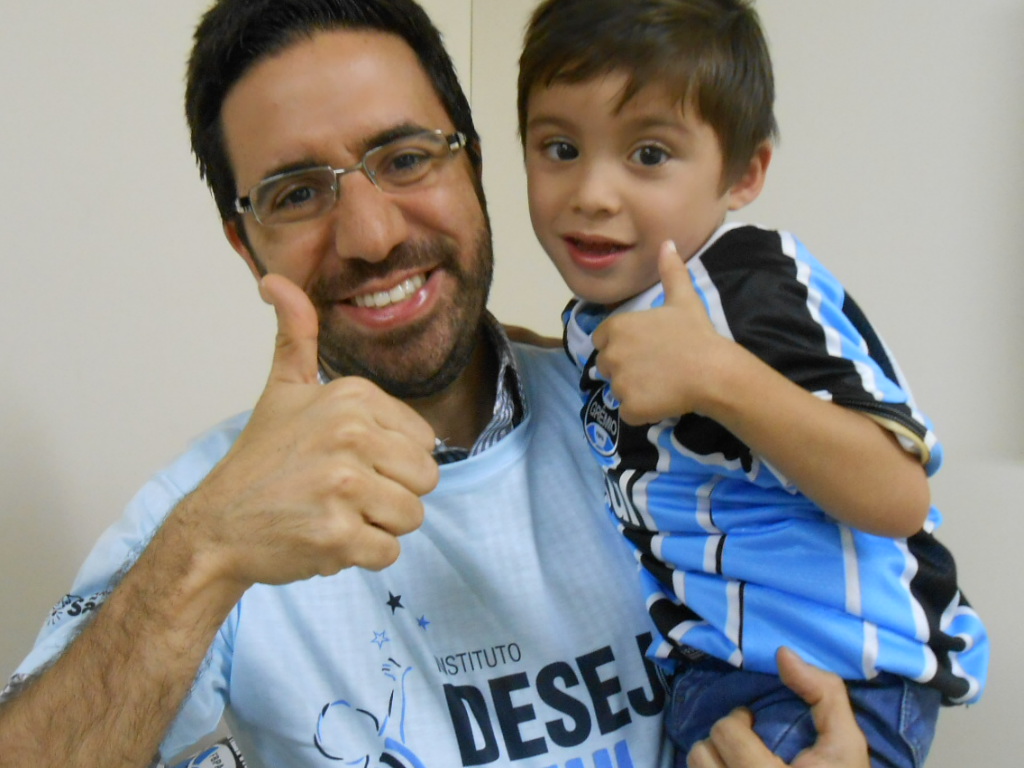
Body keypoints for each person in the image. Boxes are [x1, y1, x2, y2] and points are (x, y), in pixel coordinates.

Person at [0, 1, 872, 766]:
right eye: (298, 193)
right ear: (245, 243)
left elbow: (877, 610)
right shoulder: (202, 514)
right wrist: (207, 552)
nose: (372, 235)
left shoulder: (666, 412)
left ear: (477, 166)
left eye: (407, 158)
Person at [516, 0, 989, 765]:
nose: (592, 193)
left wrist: (719, 375)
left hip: (832, 675)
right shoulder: (614, 307)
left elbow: (900, 496)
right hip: (722, 668)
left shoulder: (750, 284)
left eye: (648, 154)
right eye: (560, 147)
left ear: (744, 172)